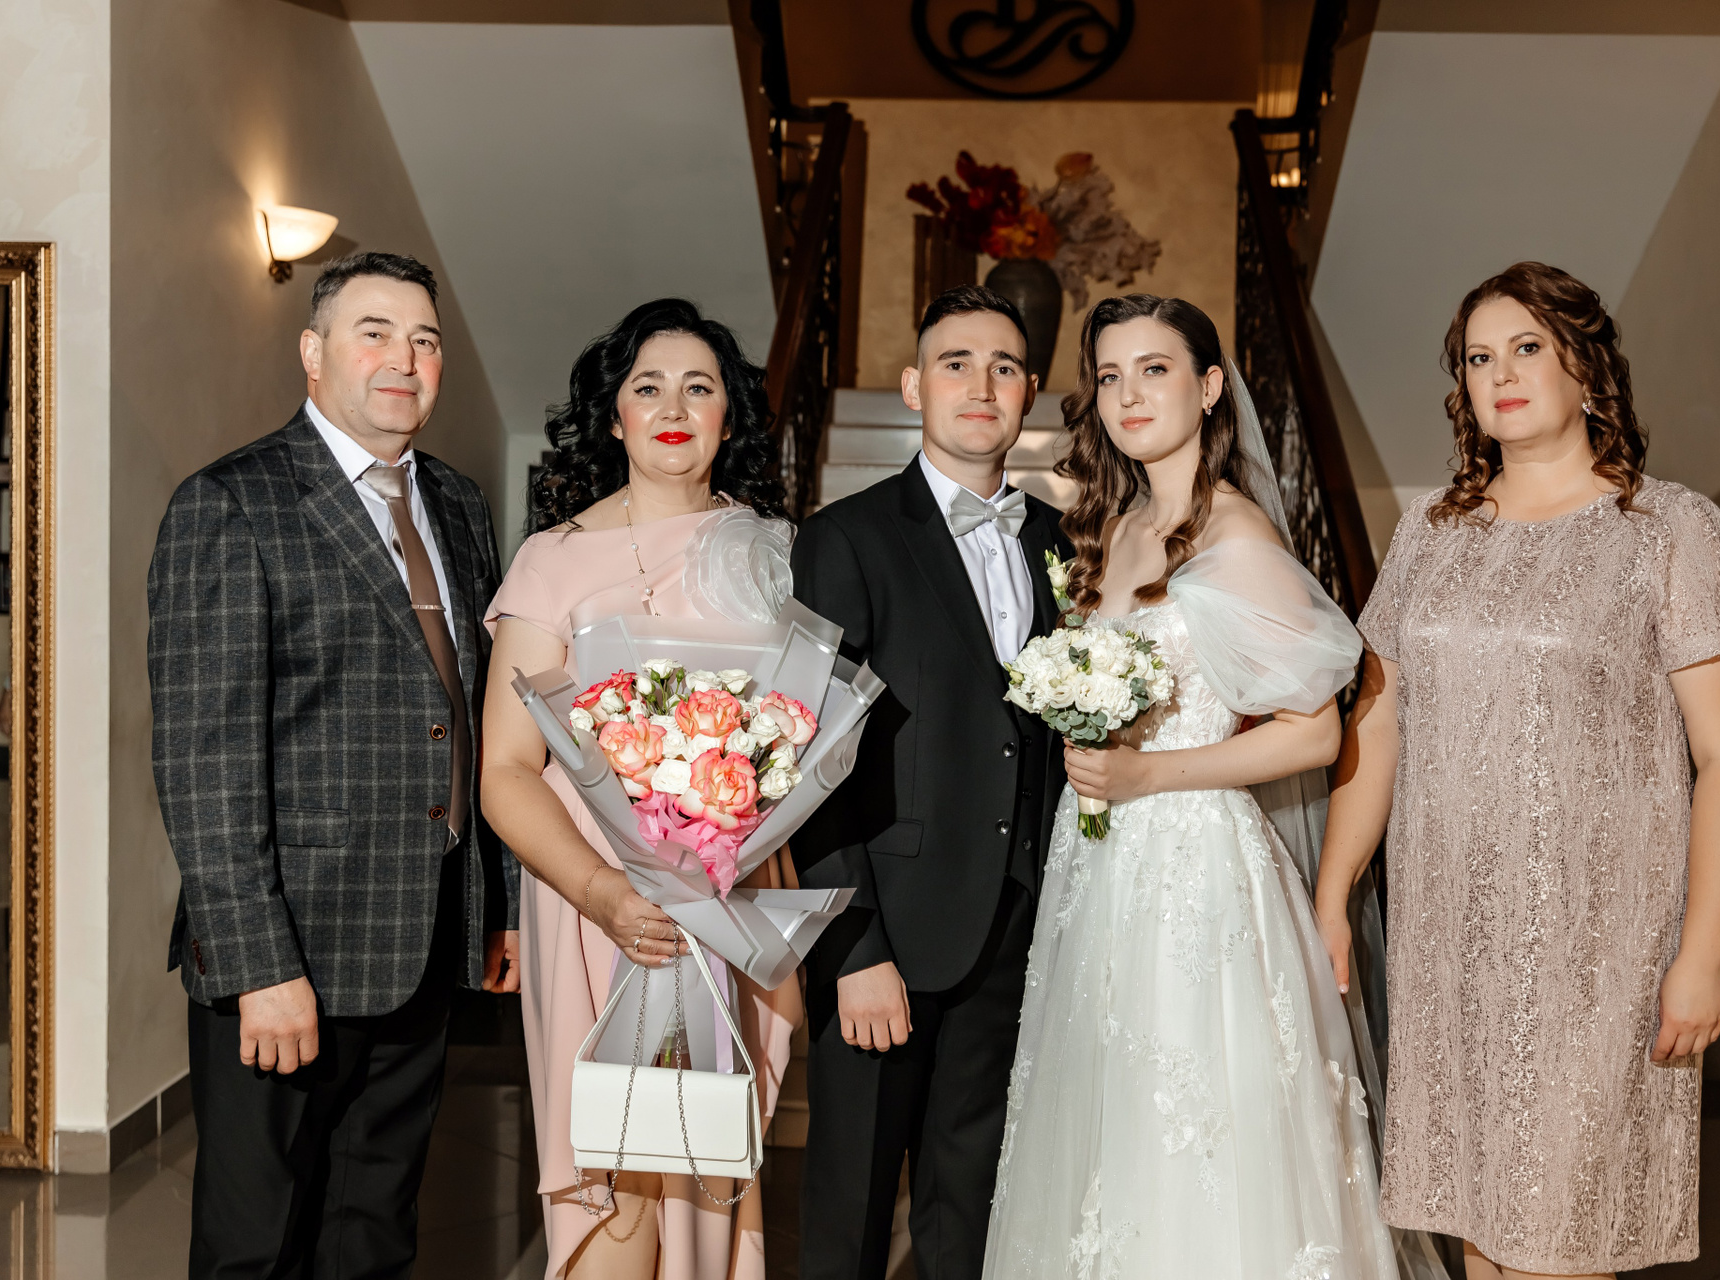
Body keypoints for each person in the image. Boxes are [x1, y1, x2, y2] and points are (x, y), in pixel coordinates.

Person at [1313, 262, 1720, 1280]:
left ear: (1587, 370)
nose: (1501, 374)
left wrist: (1702, 955)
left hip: (1596, 944)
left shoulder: (1670, 528)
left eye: (1527, 348)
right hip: (1448, 940)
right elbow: (1377, 720)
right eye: (1479, 358)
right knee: (1480, 1227)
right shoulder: (1430, 530)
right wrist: (1335, 890)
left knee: (1562, 1231)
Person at [979, 293, 1399, 1278]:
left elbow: (1315, 729)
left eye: (1155, 369)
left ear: (1210, 388)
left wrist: (1145, 772)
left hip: (1196, 870)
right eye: (1110, 375)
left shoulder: (1233, 535)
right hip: (1101, 864)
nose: (1128, 394)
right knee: (1104, 1126)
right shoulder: (1118, 523)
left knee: (1194, 1127)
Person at [148, 251, 519, 1279]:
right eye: (375, 333)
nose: (405, 359)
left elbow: (475, 716)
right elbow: (204, 759)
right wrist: (260, 966)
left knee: (373, 1234)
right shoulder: (232, 503)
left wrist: (497, 904)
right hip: (290, 955)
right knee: (255, 1248)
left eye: (426, 340)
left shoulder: (458, 504)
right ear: (312, 353)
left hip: (424, 944)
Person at [480, 298, 803, 1280]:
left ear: (729, 417)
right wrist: (603, 893)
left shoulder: (774, 551)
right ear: (614, 416)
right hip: (596, 902)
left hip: (732, 896)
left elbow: (796, 733)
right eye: (647, 386)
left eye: (699, 387)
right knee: (616, 1181)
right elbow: (505, 769)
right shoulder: (554, 559)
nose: (672, 406)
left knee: (710, 1168)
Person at [790, 285, 1071, 1280]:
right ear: (914, 386)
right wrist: (853, 945)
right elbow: (807, 760)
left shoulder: (1060, 542)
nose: (981, 384)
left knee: (973, 1216)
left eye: (1005, 366)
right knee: (851, 1217)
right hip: (889, 935)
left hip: (1014, 924)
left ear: (1030, 392)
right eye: (956, 362)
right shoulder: (846, 537)